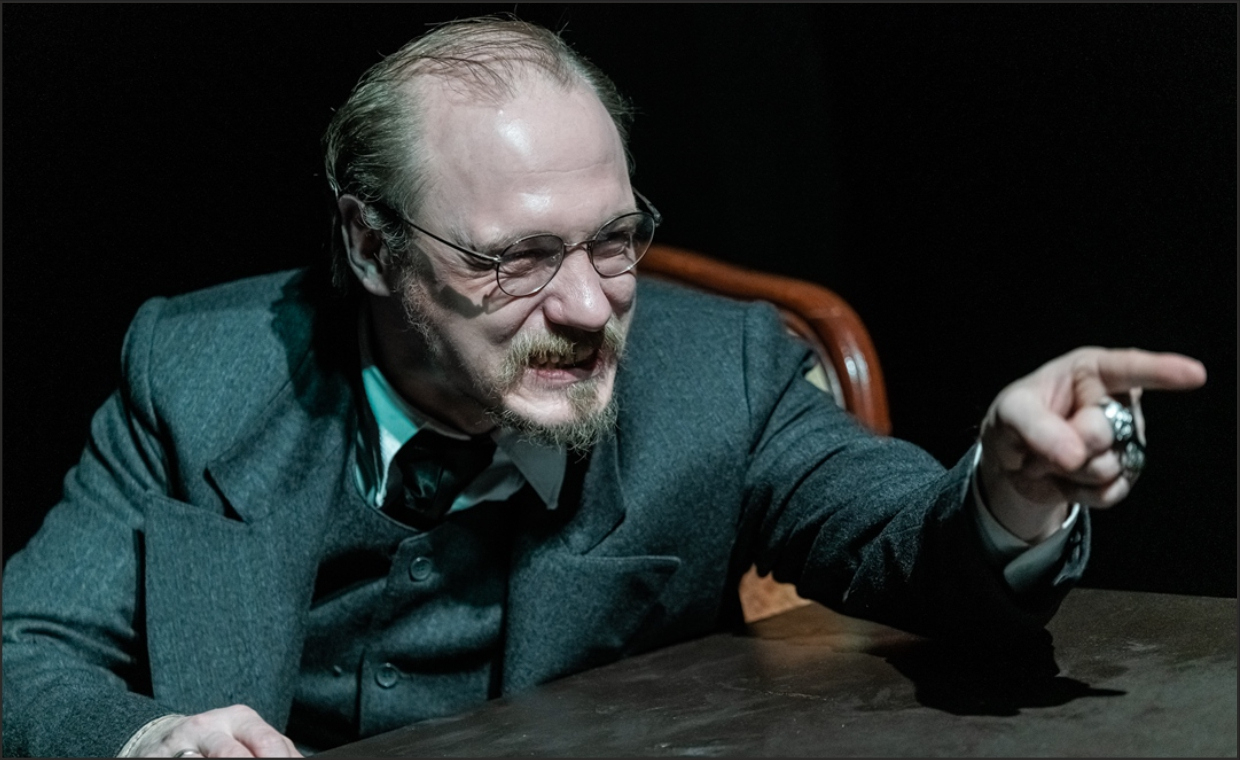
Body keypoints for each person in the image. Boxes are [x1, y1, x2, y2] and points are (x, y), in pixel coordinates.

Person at [1, 16, 1206, 759]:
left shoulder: (717, 373)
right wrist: (149, 739)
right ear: (371, 246)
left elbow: (907, 543)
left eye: (614, 241)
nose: (586, 306)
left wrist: (1008, 493)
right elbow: (23, 652)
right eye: (517, 258)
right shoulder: (198, 374)